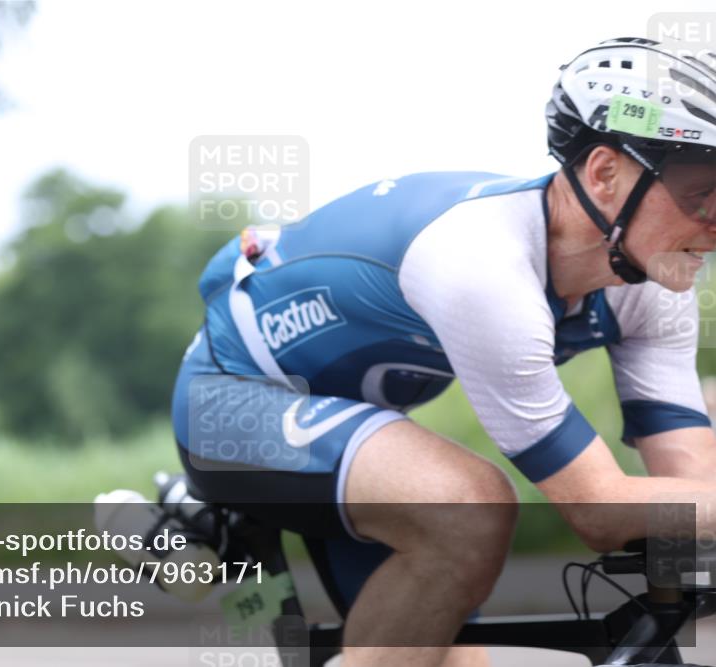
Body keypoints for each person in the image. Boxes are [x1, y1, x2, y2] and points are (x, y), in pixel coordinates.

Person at [171, 37, 716, 666]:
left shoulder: (653, 280)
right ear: (604, 173)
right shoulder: (483, 268)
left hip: (363, 425)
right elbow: (596, 509)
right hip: (232, 401)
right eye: (699, 192)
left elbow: (691, 482)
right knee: (468, 509)